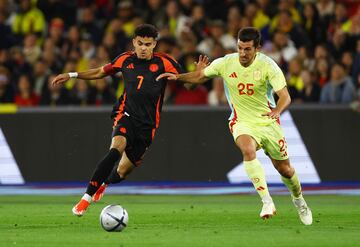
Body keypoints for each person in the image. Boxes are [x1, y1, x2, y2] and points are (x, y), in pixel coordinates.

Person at [157, 27, 313, 225]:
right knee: (247, 150)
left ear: (257, 48)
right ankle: (267, 201)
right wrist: (178, 77)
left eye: (247, 49)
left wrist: (277, 111)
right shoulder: (226, 62)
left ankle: (299, 200)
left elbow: (285, 96)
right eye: (240, 48)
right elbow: (200, 76)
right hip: (242, 121)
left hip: (267, 121)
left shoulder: (268, 65)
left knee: (285, 169)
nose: (242, 53)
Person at [51, 24, 197, 216]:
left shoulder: (166, 62)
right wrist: (72, 74)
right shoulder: (124, 60)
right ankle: (84, 200)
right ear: (134, 42)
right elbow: (100, 72)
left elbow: (188, 86)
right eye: (140, 43)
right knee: (115, 149)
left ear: (155, 44)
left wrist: (197, 76)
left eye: (148, 44)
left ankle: (104, 182)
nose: (143, 48)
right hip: (125, 115)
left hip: (148, 126)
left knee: (121, 172)